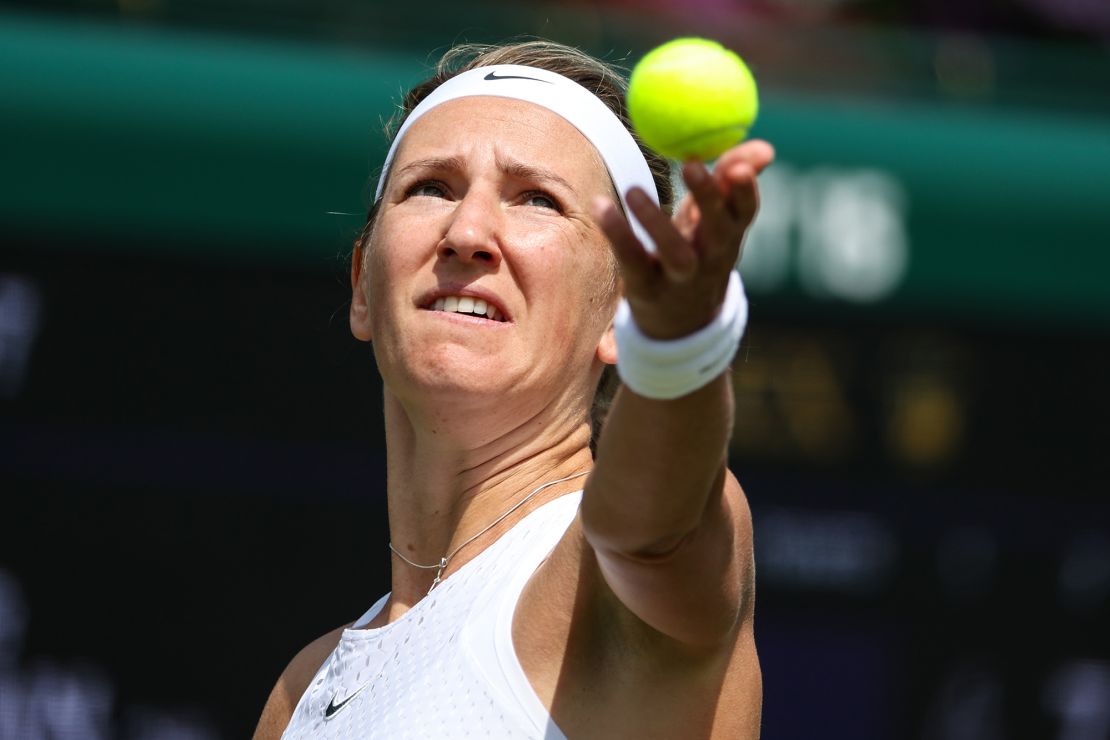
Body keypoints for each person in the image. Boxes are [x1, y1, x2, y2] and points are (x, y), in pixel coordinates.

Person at [253, 39, 775, 739]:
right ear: (362, 288)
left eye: (538, 200)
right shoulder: (300, 691)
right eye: (431, 186)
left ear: (623, 311)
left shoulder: (604, 570)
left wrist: (679, 347)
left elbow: (652, 532)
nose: (467, 232)